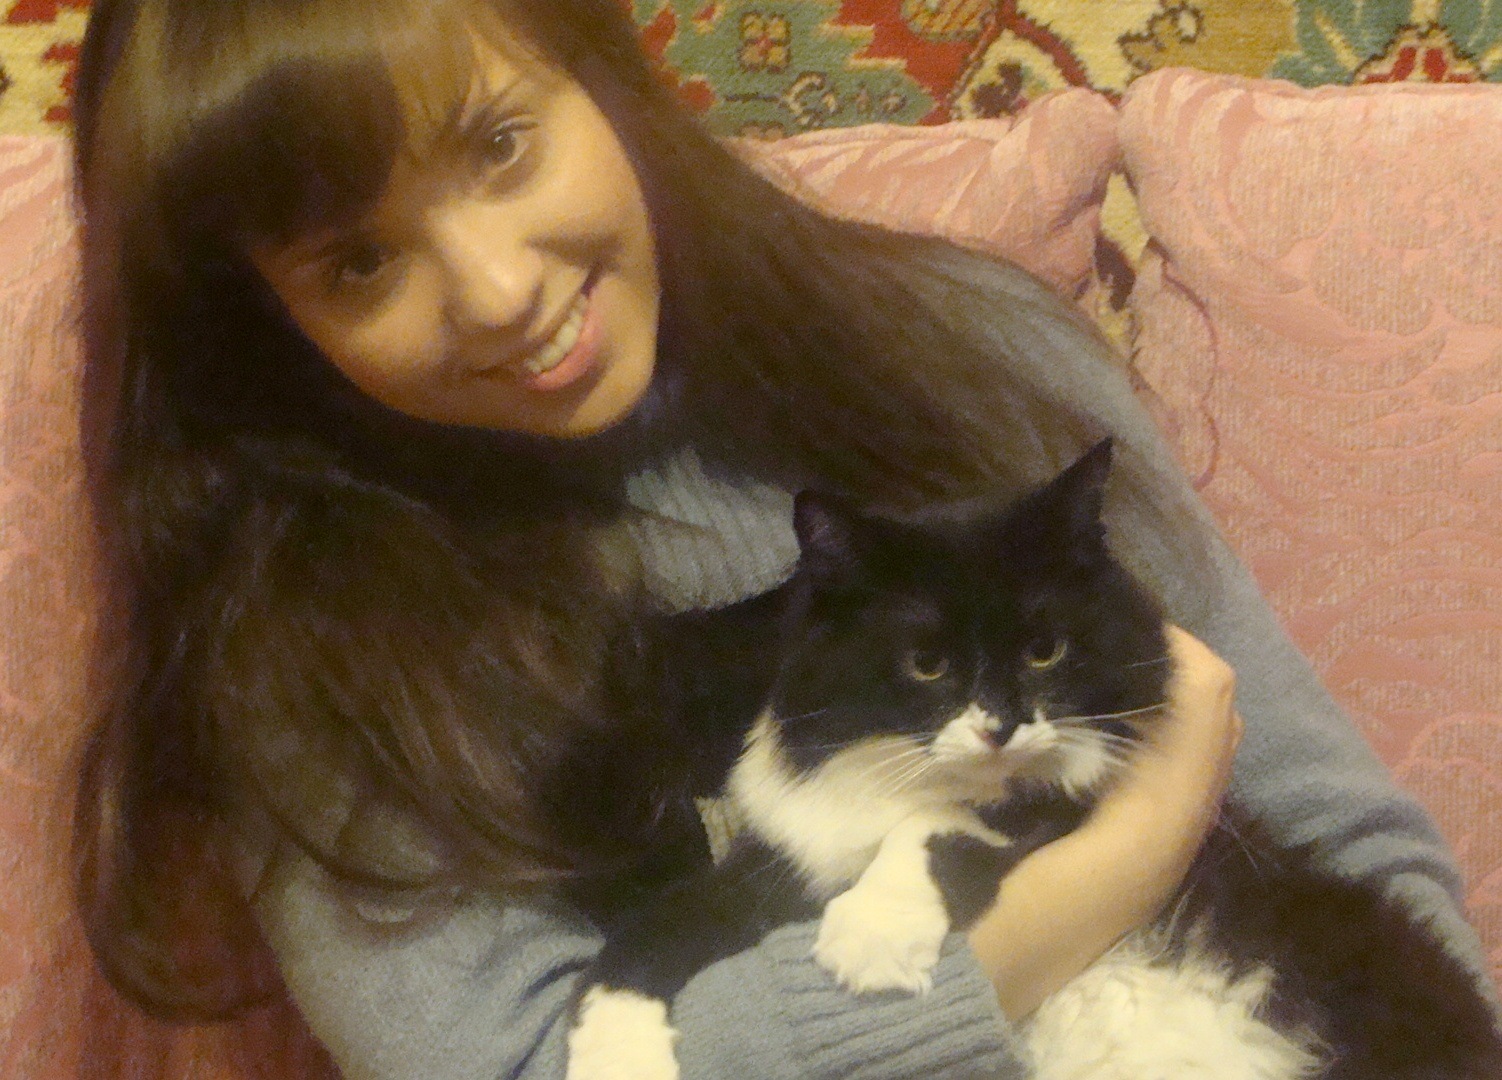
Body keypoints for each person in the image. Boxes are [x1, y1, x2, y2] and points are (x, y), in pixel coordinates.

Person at [67, 0, 1492, 1076]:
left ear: (603, 79)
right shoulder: (305, 644)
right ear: (268, 326)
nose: (497, 292)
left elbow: (1357, 863)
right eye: (360, 261)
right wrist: (1119, 859)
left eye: (500, 144)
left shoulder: (975, 362)